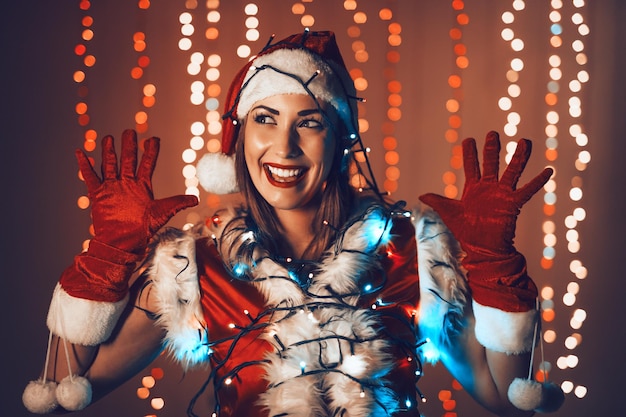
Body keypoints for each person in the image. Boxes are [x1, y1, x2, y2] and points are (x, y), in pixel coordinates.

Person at [23, 30, 564, 417]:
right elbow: (72, 386)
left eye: (308, 122)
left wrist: (495, 266)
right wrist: (106, 260)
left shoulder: (411, 250)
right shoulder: (197, 262)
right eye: (265, 120)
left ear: (340, 139)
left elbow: (505, 398)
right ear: (240, 137)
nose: (283, 147)